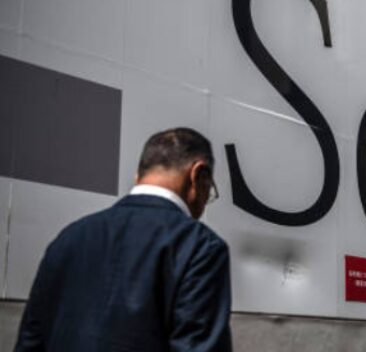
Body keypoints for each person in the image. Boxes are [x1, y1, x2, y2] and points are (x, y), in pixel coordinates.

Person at [15, 128, 232, 352]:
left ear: (138, 176)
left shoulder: (68, 238)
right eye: (210, 190)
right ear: (198, 175)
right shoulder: (200, 246)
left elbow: (31, 341)